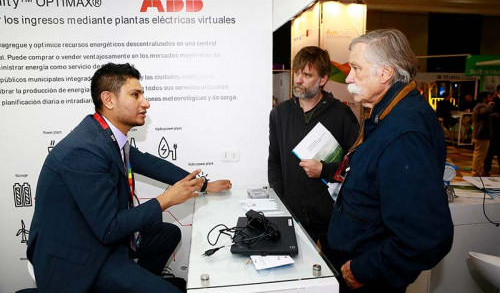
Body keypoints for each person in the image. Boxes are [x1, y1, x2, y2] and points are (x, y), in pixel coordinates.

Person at [27, 63, 232, 293]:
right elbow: (109, 228)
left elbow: (150, 163)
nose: (145, 102)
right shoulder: (84, 150)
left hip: (103, 240)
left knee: (168, 233)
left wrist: (202, 184)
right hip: (78, 257)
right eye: (135, 95)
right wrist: (166, 199)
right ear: (109, 100)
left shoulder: (107, 137)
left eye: (142, 94)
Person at [327, 29, 453, 293]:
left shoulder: (404, 134)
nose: (349, 77)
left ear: (384, 73)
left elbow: (425, 237)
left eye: (356, 68)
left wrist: (364, 269)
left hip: (369, 278)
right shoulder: (389, 114)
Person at [268, 46, 359, 260]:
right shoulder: (279, 114)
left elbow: (358, 164)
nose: (299, 80)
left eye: (307, 75)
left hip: (333, 218)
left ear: (323, 79)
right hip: (293, 216)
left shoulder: (341, 114)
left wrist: (324, 170)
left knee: (338, 277)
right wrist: (280, 205)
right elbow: (275, 162)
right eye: (297, 73)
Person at [472, 91, 495, 176]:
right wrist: (491, 104)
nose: (490, 99)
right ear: (483, 98)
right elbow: (484, 111)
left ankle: (478, 170)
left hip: (482, 134)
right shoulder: (480, 106)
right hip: (481, 134)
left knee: (481, 154)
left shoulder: (480, 106)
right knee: (479, 154)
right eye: (489, 97)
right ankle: (476, 171)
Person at [483, 85, 500, 176]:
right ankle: (486, 169)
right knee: (490, 151)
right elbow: (487, 114)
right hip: (493, 129)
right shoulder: (493, 102)